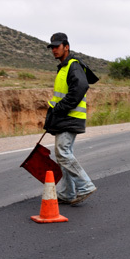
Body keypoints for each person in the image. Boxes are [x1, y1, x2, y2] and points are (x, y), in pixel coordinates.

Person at [43, 32, 97, 206]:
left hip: (70, 117)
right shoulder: (63, 67)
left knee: (62, 152)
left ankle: (85, 185)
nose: (54, 50)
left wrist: (59, 108)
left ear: (66, 46)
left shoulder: (73, 65)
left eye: (57, 46)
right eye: (52, 47)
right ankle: (68, 192)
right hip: (65, 117)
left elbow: (80, 87)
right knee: (63, 155)